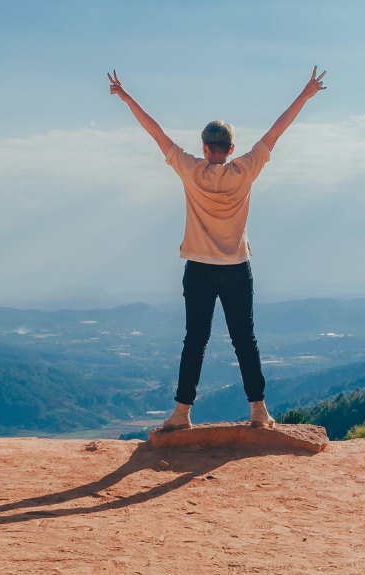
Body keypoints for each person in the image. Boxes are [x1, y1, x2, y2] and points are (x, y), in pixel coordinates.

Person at [108, 67, 326, 431]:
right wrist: (305, 94)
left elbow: (156, 133)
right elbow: (276, 131)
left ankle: (181, 413)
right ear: (231, 149)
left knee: (195, 340)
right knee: (245, 340)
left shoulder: (191, 170)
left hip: (199, 269)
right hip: (238, 267)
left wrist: (128, 98)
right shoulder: (246, 169)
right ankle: (259, 411)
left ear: (205, 148)